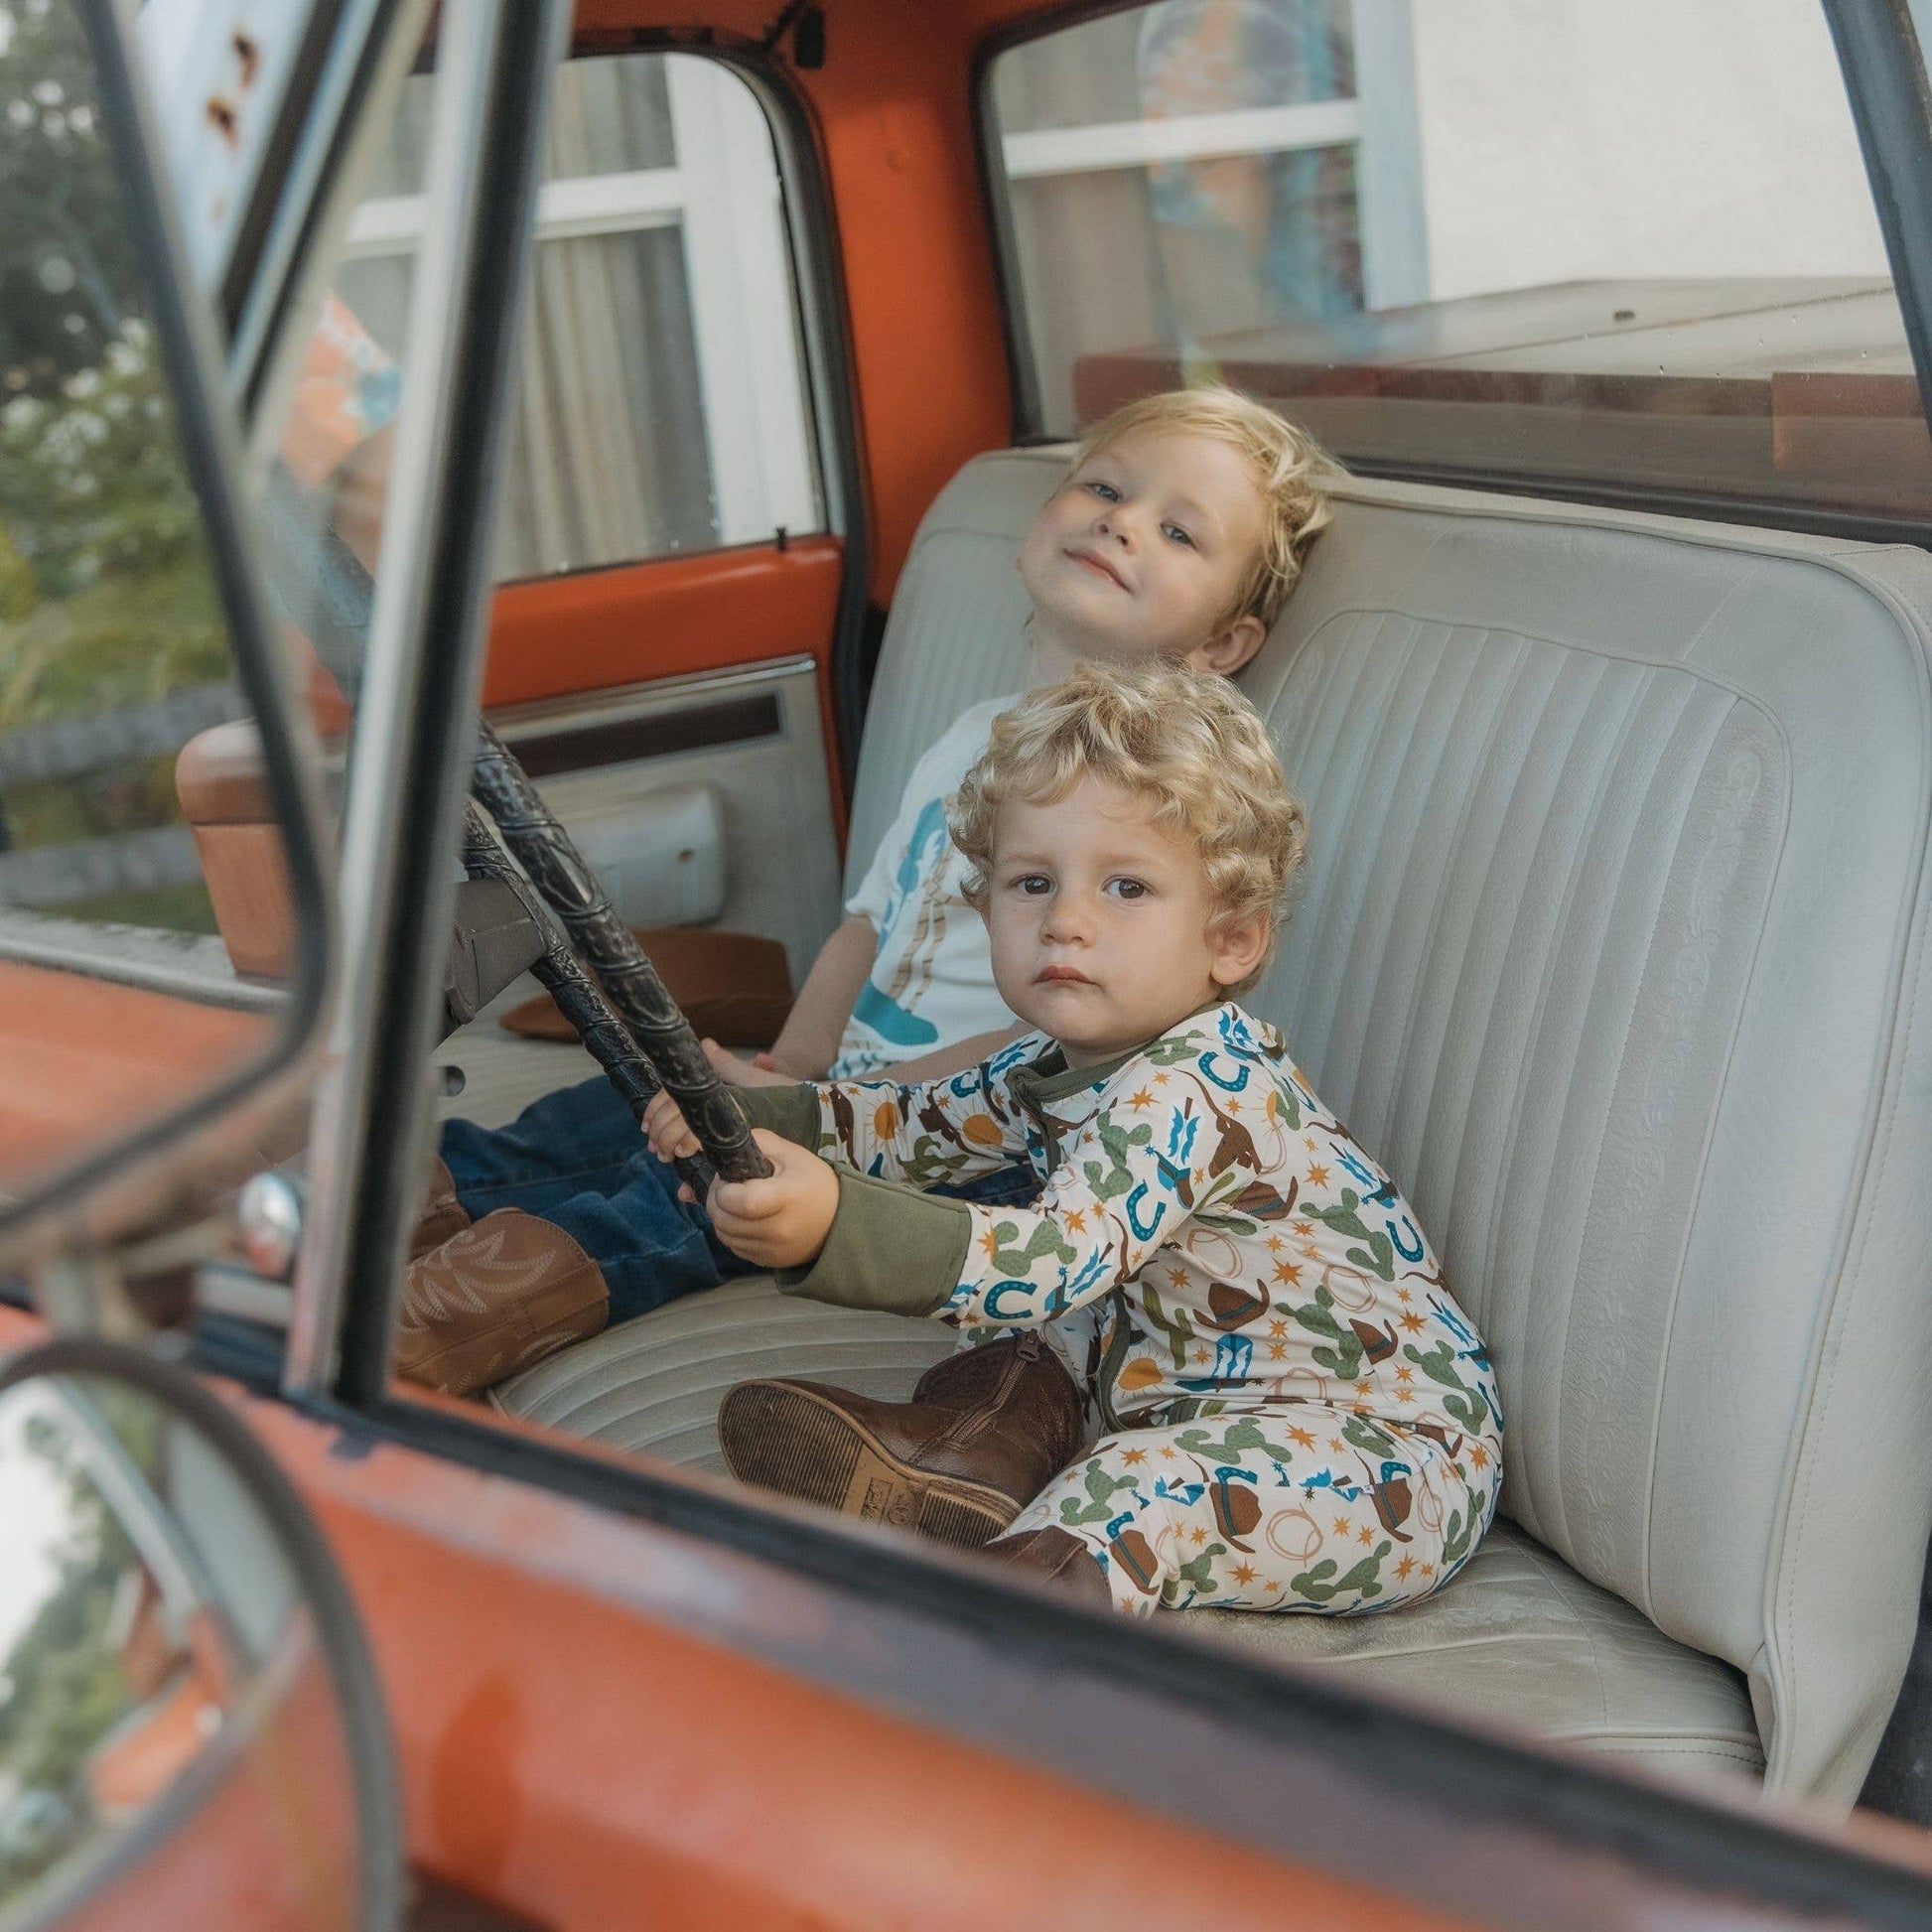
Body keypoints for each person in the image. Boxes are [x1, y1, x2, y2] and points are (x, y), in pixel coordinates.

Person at [398, 386, 1341, 1397]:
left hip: (980, 1141)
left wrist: (841, 1104)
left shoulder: (1150, 811)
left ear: (1219, 647)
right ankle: (392, 1204)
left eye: (1175, 530)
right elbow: (868, 921)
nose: (1120, 519)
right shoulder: (971, 736)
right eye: (1104, 487)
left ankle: (430, 1327)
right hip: (849, 1092)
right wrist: (787, 1065)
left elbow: (1069, 1051)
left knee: (694, 1189)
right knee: (623, 1107)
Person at [651, 662, 1503, 1618]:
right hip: (1182, 1393)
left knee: (1146, 1482)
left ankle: (982, 1650)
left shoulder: (1196, 1087)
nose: (1066, 920)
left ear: (1232, 941)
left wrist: (833, 1224)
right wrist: (747, 1120)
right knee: (1025, 1328)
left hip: (1383, 1457)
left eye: (1127, 886)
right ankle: (963, 1464)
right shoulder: (1048, 1060)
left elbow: (1057, 1255)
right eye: (1031, 883)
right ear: (985, 912)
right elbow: (909, 1123)